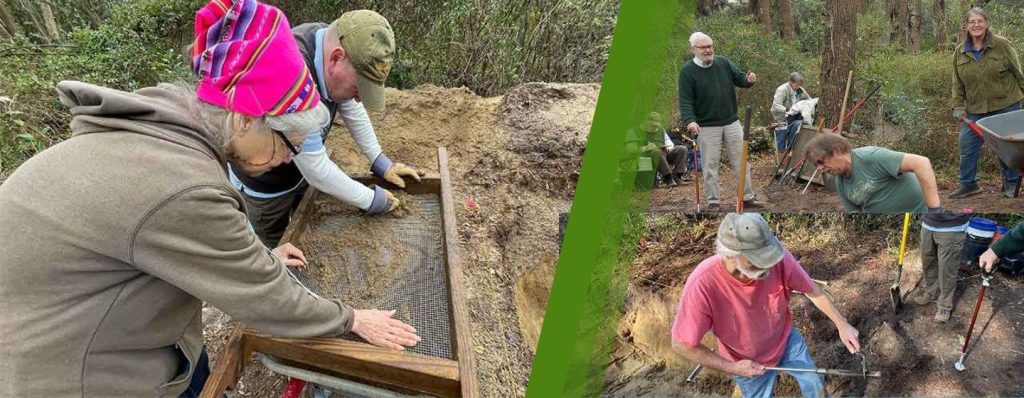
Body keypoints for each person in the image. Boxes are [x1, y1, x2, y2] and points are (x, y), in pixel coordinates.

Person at [0, 1, 419, 396]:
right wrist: (351, 318)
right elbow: (265, 299)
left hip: (88, 309)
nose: (285, 159)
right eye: (286, 144)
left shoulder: (164, 129)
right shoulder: (184, 187)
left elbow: (160, 234)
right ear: (244, 119)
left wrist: (257, 255)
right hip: (77, 370)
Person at [230, 10, 425, 246]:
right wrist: (371, 200)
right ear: (336, 58)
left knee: (301, 220)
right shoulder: (290, 78)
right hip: (267, 188)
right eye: (359, 88)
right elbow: (316, 169)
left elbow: (349, 104)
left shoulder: (330, 40)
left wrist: (379, 160)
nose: (360, 98)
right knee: (276, 245)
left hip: (297, 173)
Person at [672, 213, 860, 398]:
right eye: (757, 259)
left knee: (814, 383)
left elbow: (813, 291)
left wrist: (842, 324)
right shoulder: (703, 283)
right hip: (745, 363)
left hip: (786, 341)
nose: (767, 265)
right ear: (731, 256)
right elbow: (682, 344)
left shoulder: (777, 259)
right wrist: (733, 367)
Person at [678, 32, 763, 211]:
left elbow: (740, 79)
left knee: (741, 161)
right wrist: (690, 120)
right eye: (703, 47)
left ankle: (747, 197)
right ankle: (714, 202)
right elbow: (685, 100)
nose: (708, 50)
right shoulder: (687, 71)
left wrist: (749, 80)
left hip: (731, 122)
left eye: (710, 46)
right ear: (694, 49)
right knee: (710, 165)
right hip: (706, 126)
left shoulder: (723, 62)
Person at [950, 7, 1024, 199]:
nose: (976, 25)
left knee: (1007, 148)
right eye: (972, 22)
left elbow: (1018, 74)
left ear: (986, 23)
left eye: (980, 21)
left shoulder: (1001, 45)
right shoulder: (960, 52)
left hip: (1005, 106)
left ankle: (1011, 183)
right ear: (966, 26)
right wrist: (958, 105)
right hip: (976, 109)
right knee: (967, 145)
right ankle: (968, 184)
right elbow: (957, 83)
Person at [804, 133, 940, 213]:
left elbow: (921, 163)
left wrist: (934, 212)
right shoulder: (840, 183)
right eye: (816, 165)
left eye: (820, 161)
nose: (819, 168)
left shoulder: (871, 157)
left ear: (836, 150)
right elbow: (855, 213)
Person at [914, 212, 970, 322]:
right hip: (928, 224)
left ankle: (945, 306)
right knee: (928, 263)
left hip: (952, 227)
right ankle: (932, 292)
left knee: (947, 270)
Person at [771, 72, 811, 164]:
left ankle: (790, 161)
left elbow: (809, 100)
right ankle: (780, 163)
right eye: (797, 84)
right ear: (791, 82)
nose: (798, 87)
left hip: (794, 118)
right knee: (781, 140)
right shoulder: (782, 89)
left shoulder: (800, 90)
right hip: (781, 118)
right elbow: (776, 105)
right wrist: (788, 110)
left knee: (794, 139)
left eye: (800, 84)